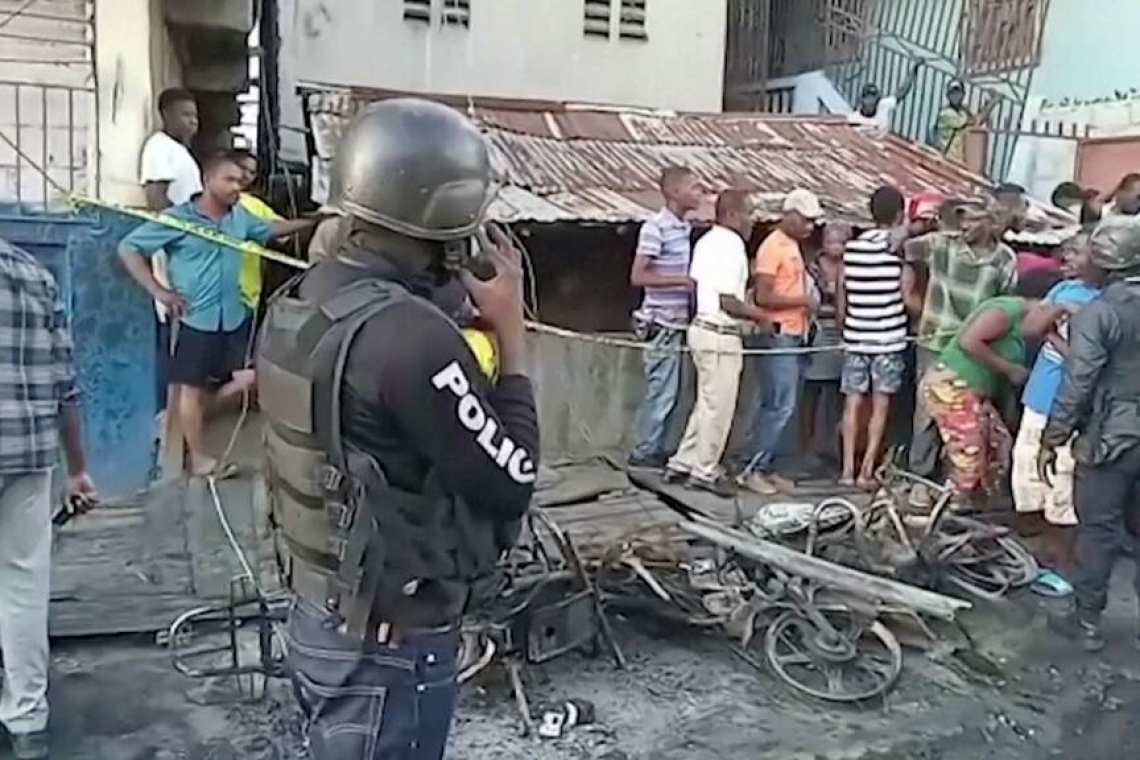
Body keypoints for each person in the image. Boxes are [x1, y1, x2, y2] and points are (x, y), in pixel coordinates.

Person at [255, 98, 539, 759]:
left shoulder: (305, 300)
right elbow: (512, 480)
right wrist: (513, 335)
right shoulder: (412, 340)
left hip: (321, 611)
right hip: (390, 645)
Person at [118, 151, 320, 477]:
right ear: (207, 180)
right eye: (229, 180)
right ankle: (196, 457)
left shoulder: (239, 218)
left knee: (248, 379)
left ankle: (186, 425)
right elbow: (128, 248)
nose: (236, 187)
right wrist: (159, 291)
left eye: (240, 182)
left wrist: (314, 221)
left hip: (233, 316)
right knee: (190, 389)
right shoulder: (179, 219)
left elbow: (270, 230)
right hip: (194, 318)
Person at [0, 238, 97, 760]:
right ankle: (26, 718)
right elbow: (66, 383)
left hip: (26, 454)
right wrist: (78, 468)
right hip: (27, 454)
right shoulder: (33, 273)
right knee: (21, 584)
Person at [1039, 218, 1140, 652]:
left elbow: (1078, 382)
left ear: (1104, 263)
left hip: (1112, 436)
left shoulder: (1101, 313)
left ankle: (1087, 620)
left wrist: (1053, 436)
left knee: (1097, 528)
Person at [903, 198, 1019, 508]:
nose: (965, 226)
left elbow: (1003, 305)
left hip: (976, 349)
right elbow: (901, 246)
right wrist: (916, 225)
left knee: (971, 418)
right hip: (935, 342)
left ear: (992, 223)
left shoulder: (1004, 259)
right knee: (928, 413)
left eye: (973, 220)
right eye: (962, 219)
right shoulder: (941, 244)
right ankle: (921, 480)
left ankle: (959, 486)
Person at [1011, 232, 1100, 587]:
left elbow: (1085, 362)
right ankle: (1038, 557)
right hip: (1040, 398)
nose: (1068, 258)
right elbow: (1030, 327)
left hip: (1072, 406)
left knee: (1062, 485)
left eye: (1077, 252)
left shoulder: (1106, 301)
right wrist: (1058, 313)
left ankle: (1062, 565)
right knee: (1028, 477)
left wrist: (1054, 334)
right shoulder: (1063, 291)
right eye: (1068, 252)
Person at [920, 295, 1065, 509]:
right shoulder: (1006, 311)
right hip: (952, 385)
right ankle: (950, 507)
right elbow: (968, 341)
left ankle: (981, 504)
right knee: (969, 453)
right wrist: (1008, 368)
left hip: (973, 392)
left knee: (999, 444)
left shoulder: (1027, 324)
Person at [665, 189, 764, 496]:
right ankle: (705, 470)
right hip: (720, 331)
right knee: (719, 406)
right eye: (748, 213)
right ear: (732, 215)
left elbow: (700, 288)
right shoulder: (731, 244)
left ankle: (683, 461)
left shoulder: (706, 240)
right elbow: (728, 301)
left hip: (700, 327)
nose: (752, 221)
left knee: (706, 402)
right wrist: (763, 317)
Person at [738, 188, 824, 495]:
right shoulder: (773, 246)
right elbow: (763, 295)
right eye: (806, 220)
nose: (811, 227)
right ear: (789, 215)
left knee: (782, 404)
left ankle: (768, 465)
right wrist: (803, 300)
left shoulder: (792, 245)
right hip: (778, 334)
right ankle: (753, 467)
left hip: (794, 332)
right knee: (778, 405)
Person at [628, 167, 703, 468]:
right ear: (674, 192)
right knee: (661, 393)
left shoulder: (683, 227)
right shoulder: (655, 227)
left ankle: (657, 448)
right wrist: (682, 281)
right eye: (694, 188)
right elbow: (638, 275)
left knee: (673, 394)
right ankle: (644, 451)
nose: (700, 193)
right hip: (661, 323)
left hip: (678, 322)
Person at [839, 186, 909, 489]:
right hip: (888, 337)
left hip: (856, 334)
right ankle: (866, 471)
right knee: (880, 406)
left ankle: (846, 471)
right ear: (899, 213)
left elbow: (843, 291)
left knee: (852, 403)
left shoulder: (852, 248)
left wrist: (847, 324)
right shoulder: (897, 248)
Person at [140, 88, 201, 417]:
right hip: (175, 254)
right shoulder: (159, 148)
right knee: (173, 335)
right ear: (166, 115)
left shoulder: (178, 152)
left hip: (188, 254)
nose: (194, 122)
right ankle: (165, 421)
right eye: (186, 115)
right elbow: (156, 201)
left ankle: (176, 422)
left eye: (195, 116)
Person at [800, 222, 847, 465]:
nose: (835, 247)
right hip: (817, 330)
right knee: (812, 389)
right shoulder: (812, 268)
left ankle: (830, 445)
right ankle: (806, 446)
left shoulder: (851, 266)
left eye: (841, 242)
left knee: (837, 393)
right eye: (831, 241)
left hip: (842, 334)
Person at [231, 148, 282, 312]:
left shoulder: (257, 206)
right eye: (241, 168)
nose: (245, 175)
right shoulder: (208, 199)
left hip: (248, 296)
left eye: (251, 172)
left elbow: (285, 235)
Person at [930, 79, 997, 163]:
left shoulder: (963, 111)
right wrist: (991, 104)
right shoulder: (945, 114)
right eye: (952, 93)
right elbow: (974, 121)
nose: (955, 96)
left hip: (959, 158)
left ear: (963, 95)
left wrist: (987, 105)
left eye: (958, 93)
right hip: (948, 158)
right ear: (947, 95)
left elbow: (976, 120)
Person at [848, 60, 923, 134]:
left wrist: (914, 69)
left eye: (873, 99)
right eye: (868, 98)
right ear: (862, 100)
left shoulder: (884, 105)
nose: (871, 102)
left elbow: (902, 91)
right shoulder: (854, 119)